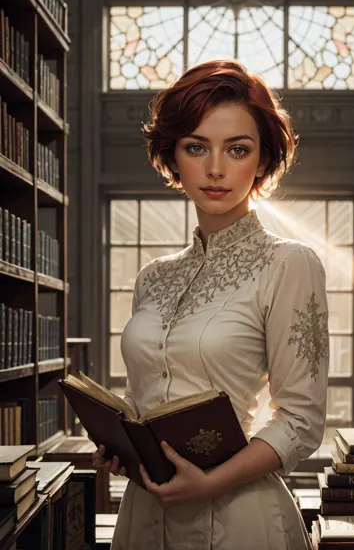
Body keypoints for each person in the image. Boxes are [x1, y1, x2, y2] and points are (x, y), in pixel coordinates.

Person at [92, 59, 329, 550]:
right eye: (196, 147)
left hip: (238, 518)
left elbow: (301, 422)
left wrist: (210, 484)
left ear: (262, 160)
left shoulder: (289, 263)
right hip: (142, 512)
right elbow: (147, 397)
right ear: (172, 156)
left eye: (237, 149)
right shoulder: (153, 276)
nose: (215, 168)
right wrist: (121, 446)